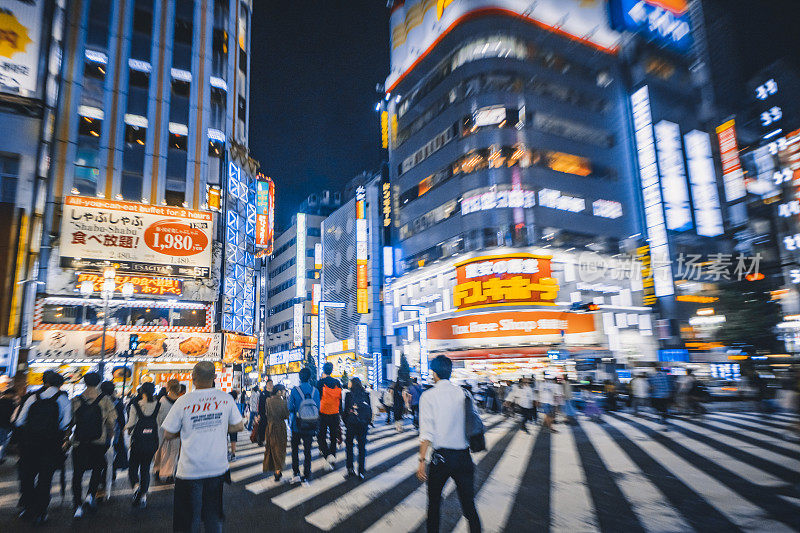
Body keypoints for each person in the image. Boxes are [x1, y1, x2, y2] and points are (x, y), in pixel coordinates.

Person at [162, 361, 244, 533]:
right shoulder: (225, 398)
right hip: (217, 467)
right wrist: (220, 427)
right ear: (214, 377)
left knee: (190, 518)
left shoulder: (183, 401)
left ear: (193, 377)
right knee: (213, 515)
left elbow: (168, 434)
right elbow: (238, 426)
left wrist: (187, 430)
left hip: (190, 470)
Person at [417, 355, 481, 533]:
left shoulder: (428, 396)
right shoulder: (463, 393)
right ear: (450, 372)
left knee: (434, 503)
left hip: (441, 458)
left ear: (434, 373)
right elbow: (473, 421)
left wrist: (421, 460)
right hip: (463, 456)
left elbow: (427, 433)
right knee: (469, 505)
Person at [14, 371, 71, 525]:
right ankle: (41, 512)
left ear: (45, 383)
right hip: (51, 445)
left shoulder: (33, 397)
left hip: (30, 444)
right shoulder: (63, 400)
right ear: (60, 384)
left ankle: (28, 507)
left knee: (27, 476)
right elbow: (65, 424)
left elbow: (19, 421)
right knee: (45, 479)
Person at [71, 371, 117, 520]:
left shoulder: (76, 400)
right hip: (99, 441)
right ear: (98, 383)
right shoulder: (105, 400)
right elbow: (111, 422)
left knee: (77, 473)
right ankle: (90, 494)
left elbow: (70, 422)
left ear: (84, 382)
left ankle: (77, 505)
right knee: (97, 468)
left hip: (79, 441)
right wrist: (110, 437)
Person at [125, 381, 160, 508]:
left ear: (142, 392)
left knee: (133, 466)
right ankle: (143, 496)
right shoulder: (158, 405)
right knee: (145, 468)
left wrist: (127, 430)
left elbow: (130, 424)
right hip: (152, 442)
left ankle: (136, 487)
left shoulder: (136, 405)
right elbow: (160, 423)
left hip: (138, 442)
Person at [288, 368, 320, 484]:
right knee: (307, 451)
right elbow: (318, 408)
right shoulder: (315, 391)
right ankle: (306, 475)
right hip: (311, 424)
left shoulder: (295, 391)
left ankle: (296, 473)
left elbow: (290, 407)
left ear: (299, 378)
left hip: (297, 426)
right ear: (310, 377)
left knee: (295, 450)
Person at [98, 380, 125, 500]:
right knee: (111, 453)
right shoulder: (117, 402)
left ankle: (101, 474)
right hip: (114, 431)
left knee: (100, 454)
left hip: (100, 432)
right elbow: (121, 420)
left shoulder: (98, 400)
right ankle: (111, 473)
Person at [153, 379, 181, 483]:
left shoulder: (162, 400)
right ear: (178, 388)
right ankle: (170, 473)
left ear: (168, 388)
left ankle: (157, 470)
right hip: (176, 430)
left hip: (162, 429)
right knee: (173, 452)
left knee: (160, 450)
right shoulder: (180, 401)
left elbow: (158, 418)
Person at [343, 377, 372, 479]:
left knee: (349, 446)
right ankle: (361, 471)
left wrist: (346, 423)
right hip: (363, 424)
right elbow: (370, 411)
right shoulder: (366, 395)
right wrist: (367, 422)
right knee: (361, 448)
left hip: (351, 424)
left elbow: (345, 411)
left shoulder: (349, 395)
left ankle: (350, 469)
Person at [316, 362, 342, 471]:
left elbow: (317, 398)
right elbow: (340, 399)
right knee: (333, 436)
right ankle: (333, 455)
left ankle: (327, 455)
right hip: (335, 413)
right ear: (332, 370)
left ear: (323, 370)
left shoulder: (320, 383)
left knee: (321, 436)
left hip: (323, 413)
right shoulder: (337, 382)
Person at [262, 384, 289, 482]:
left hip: (270, 427)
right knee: (280, 449)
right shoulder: (284, 402)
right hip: (280, 427)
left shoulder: (268, 401)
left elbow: (266, 413)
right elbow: (286, 415)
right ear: (279, 392)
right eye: (283, 391)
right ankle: (278, 470)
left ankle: (275, 469)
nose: (284, 392)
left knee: (271, 448)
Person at [0, 386, 16, 463]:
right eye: (13, 394)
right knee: (3, 441)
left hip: (3, 424)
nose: (13, 396)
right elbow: (12, 415)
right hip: (5, 425)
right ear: (10, 394)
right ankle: (0, 457)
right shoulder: (10, 403)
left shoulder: (1, 401)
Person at [256, 379, 274, 446]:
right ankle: (260, 440)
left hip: (272, 413)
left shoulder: (274, 393)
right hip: (264, 413)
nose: (270, 385)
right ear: (266, 385)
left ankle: (271, 440)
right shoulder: (263, 393)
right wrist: (259, 414)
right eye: (269, 384)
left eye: (271, 384)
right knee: (262, 426)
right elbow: (260, 404)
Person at [228, 390, 240, 461]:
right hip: (233, 423)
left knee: (224, 438)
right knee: (233, 439)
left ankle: (226, 452)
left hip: (225, 422)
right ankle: (233, 454)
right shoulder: (234, 403)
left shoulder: (225, 401)